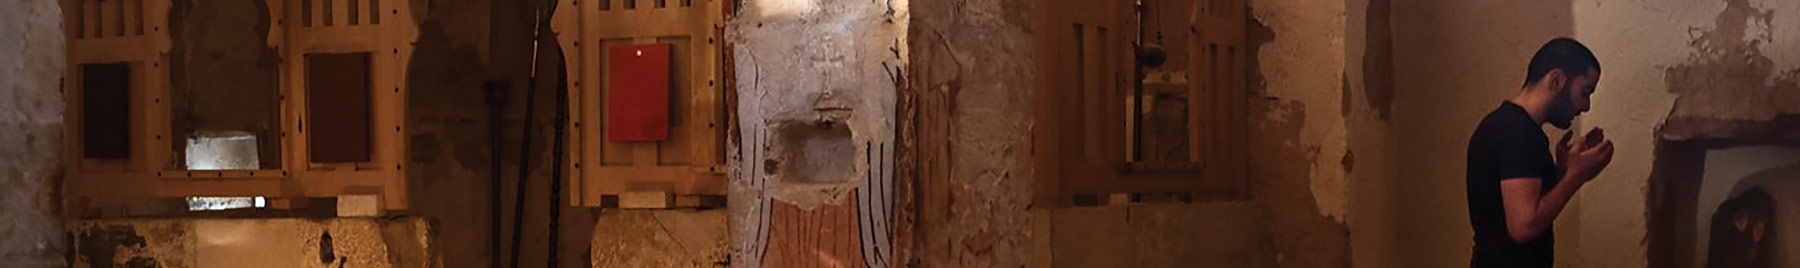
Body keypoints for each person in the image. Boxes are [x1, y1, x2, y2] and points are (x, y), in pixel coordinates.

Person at [1466, 37, 1615, 268]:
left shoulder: (1507, 125)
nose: (1586, 106)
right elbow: (1523, 227)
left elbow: (1517, 204)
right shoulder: (1519, 133)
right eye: (1585, 92)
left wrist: (1562, 171)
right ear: (1556, 80)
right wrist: (1576, 176)